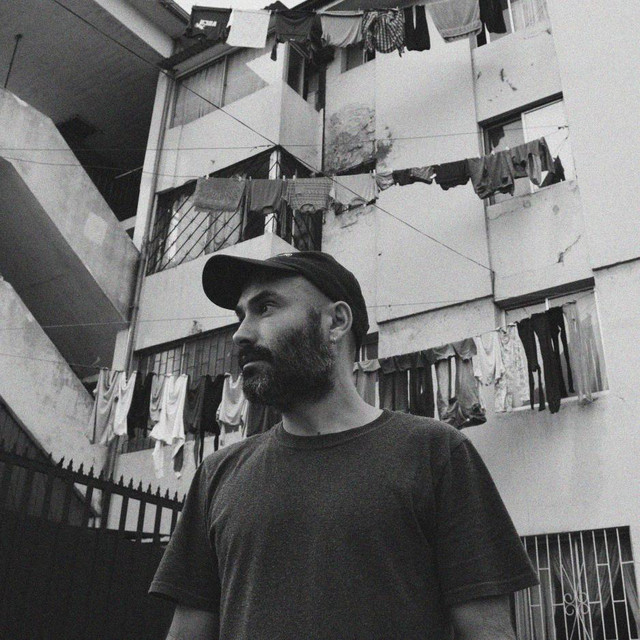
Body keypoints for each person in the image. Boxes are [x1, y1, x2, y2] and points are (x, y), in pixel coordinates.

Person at [150, 251, 539, 640]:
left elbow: (488, 633)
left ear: (336, 321)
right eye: (241, 315)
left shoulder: (435, 453)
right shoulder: (218, 474)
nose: (240, 334)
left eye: (265, 307)